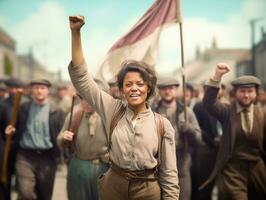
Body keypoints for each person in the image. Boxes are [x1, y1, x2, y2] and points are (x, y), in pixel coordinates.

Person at [68, 15, 179, 200]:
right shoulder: (112, 108)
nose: (134, 88)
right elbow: (82, 80)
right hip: (113, 187)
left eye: (140, 84)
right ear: (121, 89)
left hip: (147, 189)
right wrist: (76, 33)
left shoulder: (162, 125)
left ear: (149, 88)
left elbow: (169, 174)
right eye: (128, 84)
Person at [200, 63, 266, 200]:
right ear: (235, 93)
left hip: (257, 168)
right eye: (242, 91)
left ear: (256, 93)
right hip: (233, 170)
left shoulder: (262, 114)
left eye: (250, 91)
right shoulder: (227, 111)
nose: (246, 95)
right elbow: (209, 103)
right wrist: (217, 76)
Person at [5, 79, 65, 200]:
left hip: (47, 157)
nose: (39, 91)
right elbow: (14, 127)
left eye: (42, 88)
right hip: (25, 156)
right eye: (36, 88)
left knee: (44, 194)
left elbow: (62, 133)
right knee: (25, 193)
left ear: (48, 91)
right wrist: (9, 130)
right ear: (32, 90)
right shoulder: (23, 108)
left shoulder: (57, 111)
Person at [57, 81, 109, 200]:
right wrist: (64, 137)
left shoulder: (108, 117)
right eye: (82, 98)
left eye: (90, 99)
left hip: (103, 168)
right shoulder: (74, 116)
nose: (85, 103)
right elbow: (59, 140)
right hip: (78, 167)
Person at [154, 76, 201, 200]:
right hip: (159, 163)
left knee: (183, 196)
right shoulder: (152, 112)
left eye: (171, 88)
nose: (168, 91)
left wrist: (189, 128)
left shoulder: (186, 112)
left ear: (176, 90)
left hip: (182, 161)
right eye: (164, 88)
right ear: (159, 91)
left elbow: (199, 139)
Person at [0, 78, 25, 200]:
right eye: (12, 88)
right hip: (6, 148)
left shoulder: (26, 104)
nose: (15, 91)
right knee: (6, 180)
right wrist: (5, 133)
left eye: (17, 88)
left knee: (24, 184)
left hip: (24, 149)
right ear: (9, 89)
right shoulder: (2, 105)